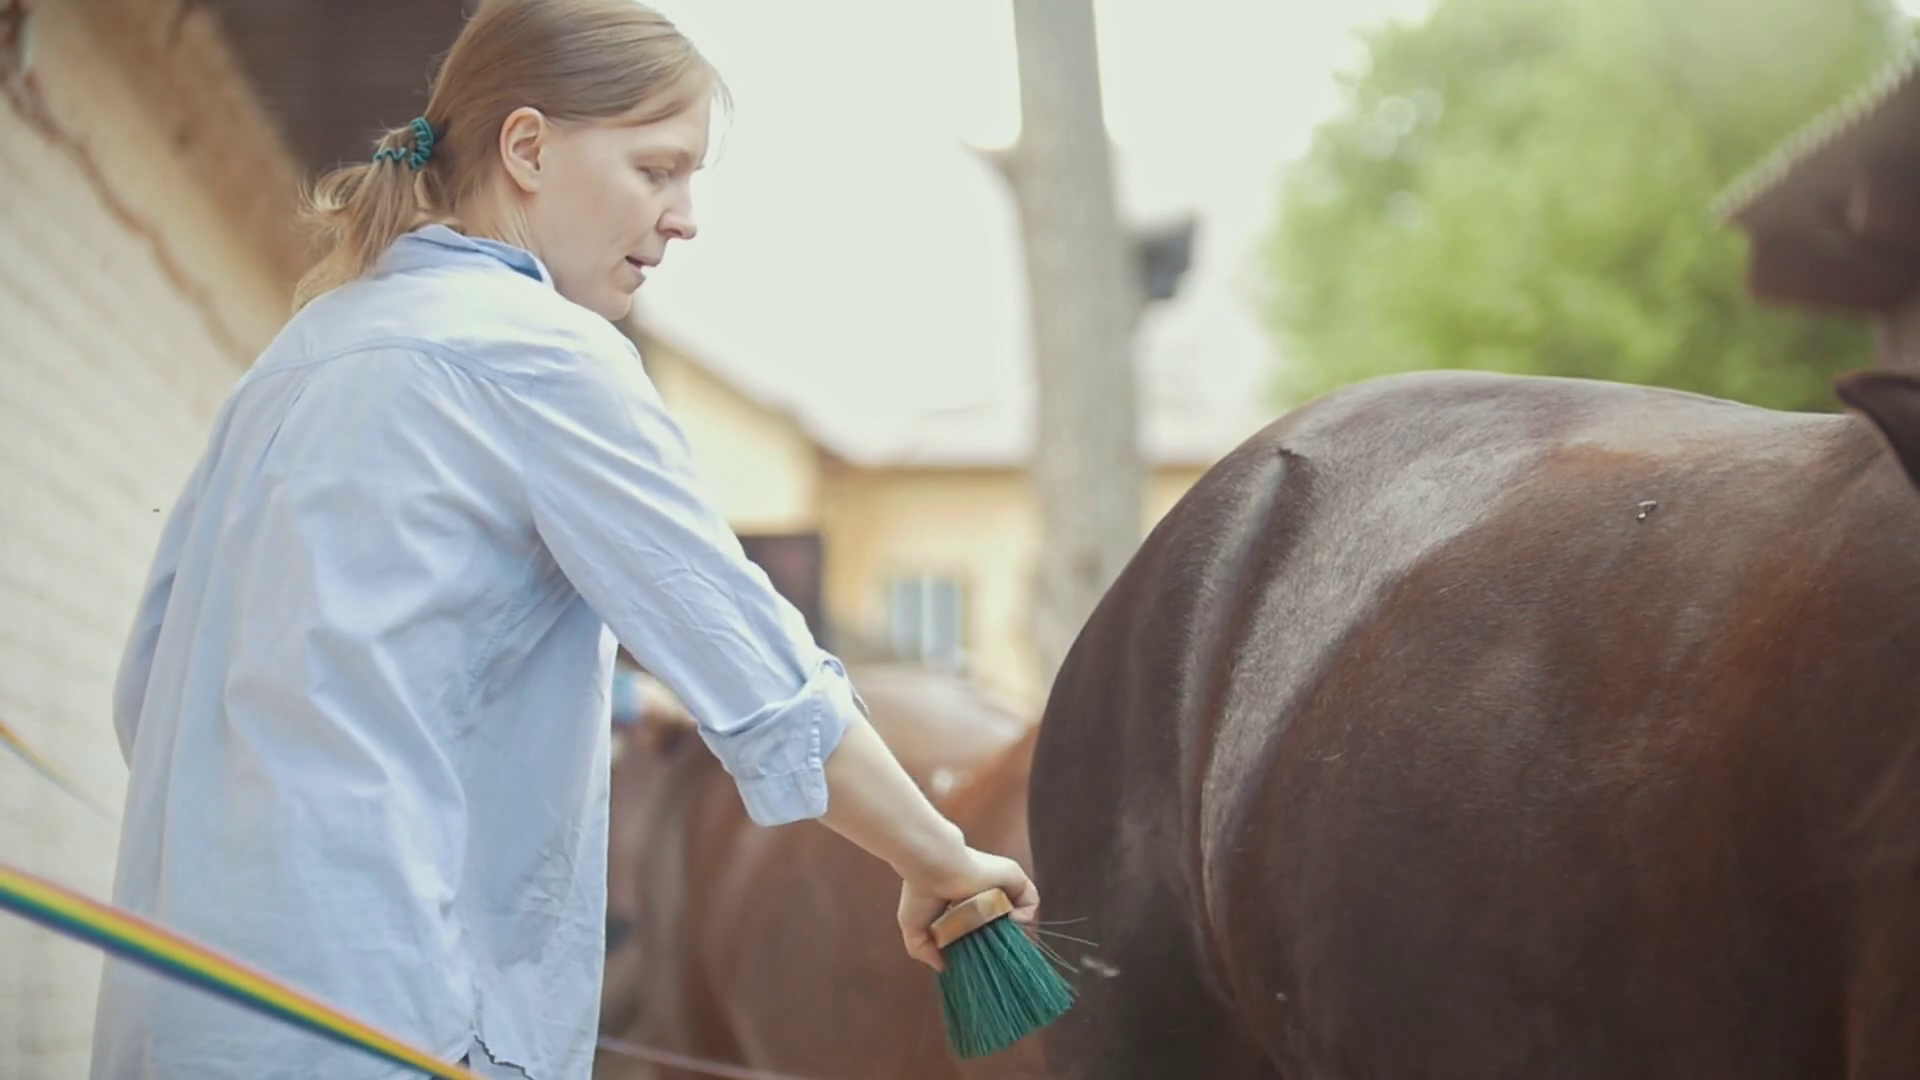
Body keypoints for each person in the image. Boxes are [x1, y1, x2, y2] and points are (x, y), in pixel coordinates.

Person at [89, 2, 1039, 1077]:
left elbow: (149, 688)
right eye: (656, 169)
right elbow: (759, 673)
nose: (684, 218)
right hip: (388, 1021)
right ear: (529, 147)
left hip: (176, 1021)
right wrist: (940, 858)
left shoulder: (295, 359)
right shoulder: (541, 358)